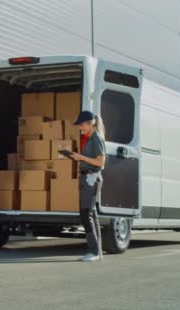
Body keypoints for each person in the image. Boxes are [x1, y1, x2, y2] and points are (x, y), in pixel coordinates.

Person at [70, 111, 106, 262]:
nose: (80, 128)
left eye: (82, 125)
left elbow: (100, 163)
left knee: (86, 214)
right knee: (91, 214)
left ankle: (93, 251)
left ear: (91, 123)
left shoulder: (96, 138)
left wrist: (81, 157)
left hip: (91, 177)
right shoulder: (89, 138)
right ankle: (96, 251)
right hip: (86, 177)